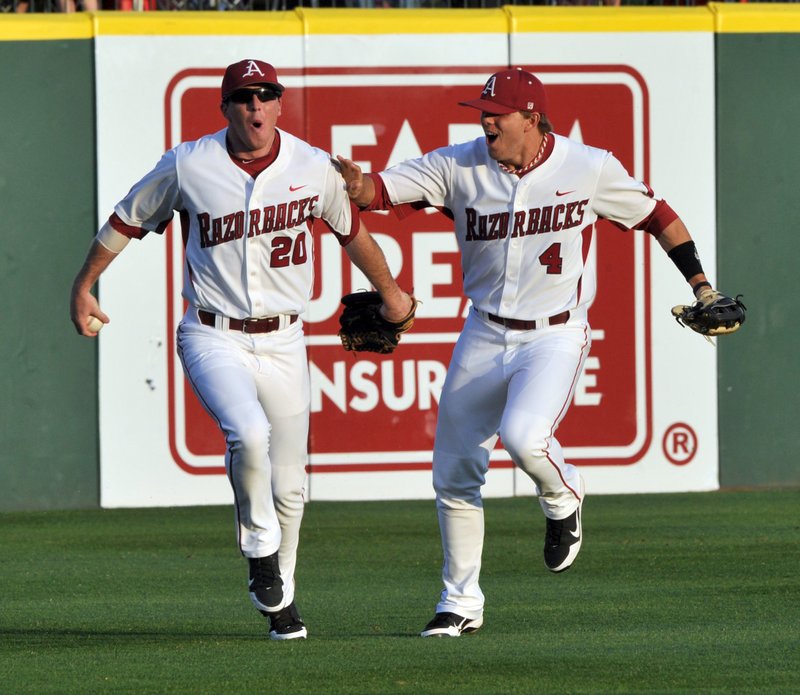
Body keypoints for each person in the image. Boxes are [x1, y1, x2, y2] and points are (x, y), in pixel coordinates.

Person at [338, 67, 717, 638]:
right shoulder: (458, 165)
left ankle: (562, 494)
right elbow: (378, 191)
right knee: (454, 472)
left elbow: (658, 216)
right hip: (484, 332)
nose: (486, 122)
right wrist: (352, 182)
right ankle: (460, 603)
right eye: (482, 112)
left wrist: (702, 287)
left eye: (497, 114)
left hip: (554, 332)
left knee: (523, 436)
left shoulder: (587, 166)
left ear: (531, 119)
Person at [70, 58, 413, 641]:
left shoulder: (312, 166)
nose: (256, 107)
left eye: (266, 96)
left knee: (291, 484)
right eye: (244, 98)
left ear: (280, 104)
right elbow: (126, 221)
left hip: (285, 338)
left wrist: (392, 293)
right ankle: (259, 552)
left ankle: (283, 602)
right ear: (225, 107)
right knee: (248, 434)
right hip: (212, 333)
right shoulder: (188, 164)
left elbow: (353, 233)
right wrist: (83, 285)